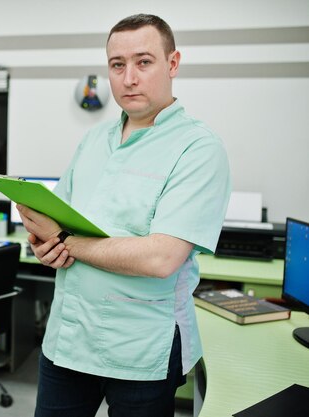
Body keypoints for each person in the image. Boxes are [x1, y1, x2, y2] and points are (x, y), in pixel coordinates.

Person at [17, 14, 232, 417]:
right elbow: (55, 221)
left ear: (172, 63)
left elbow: (160, 258)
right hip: (68, 338)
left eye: (143, 62)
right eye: (117, 65)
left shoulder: (198, 149)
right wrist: (44, 243)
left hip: (141, 352)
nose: (129, 77)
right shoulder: (94, 139)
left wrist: (67, 242)